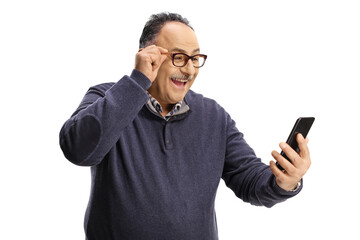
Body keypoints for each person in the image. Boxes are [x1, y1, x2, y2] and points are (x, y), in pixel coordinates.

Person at [59, 12, 311, 240]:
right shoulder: (109, 98)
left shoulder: (214, 116)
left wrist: (286, 180)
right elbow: (78, 150)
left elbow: (251, 181)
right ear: (148, 56)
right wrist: (136, 83)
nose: (190, 69)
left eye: (195, 58)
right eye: (179, 57)